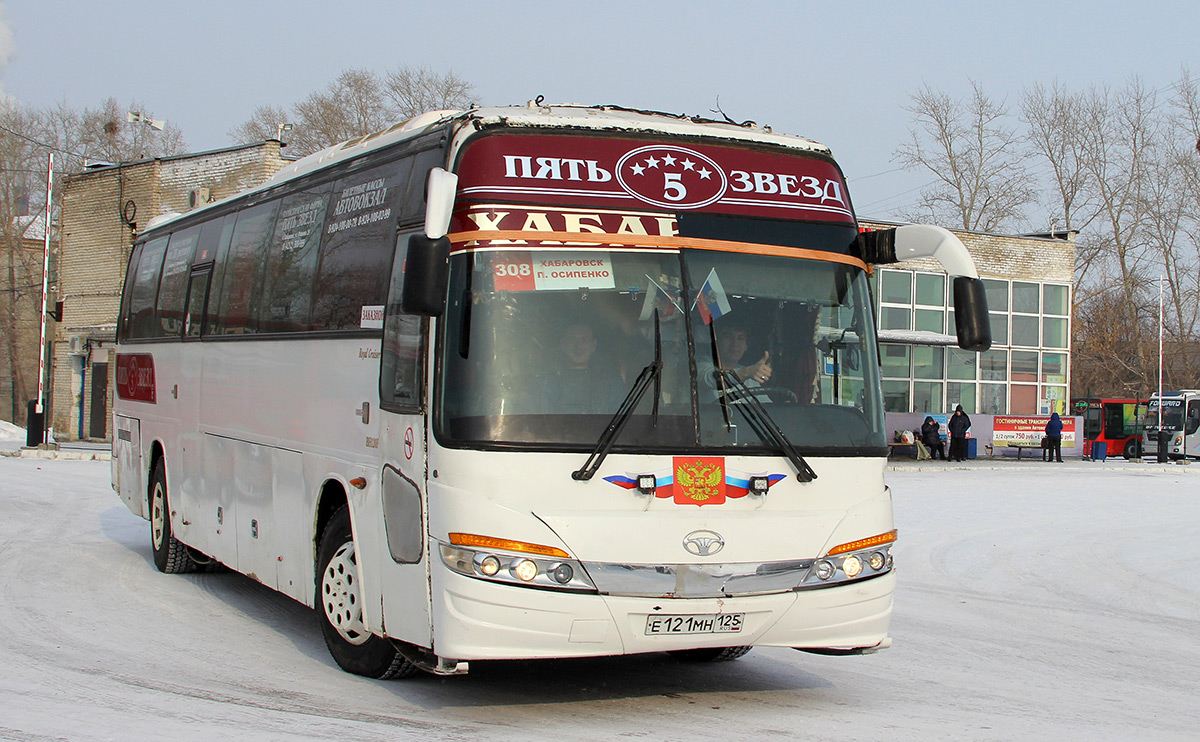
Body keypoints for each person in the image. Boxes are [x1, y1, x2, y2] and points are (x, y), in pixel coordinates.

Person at [539, 322, 624, 414]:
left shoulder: (611, 383)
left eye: (585, 340)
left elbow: (623, 419)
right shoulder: (543, 382)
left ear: (593, 346)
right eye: (572, 339)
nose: (578, 346)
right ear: (563, 344)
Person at [699, 319, 773, 402]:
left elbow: (766, 406)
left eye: (740, 338)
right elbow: (712, 380)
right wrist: (746, 372)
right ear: (716, 342)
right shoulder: (700, 366)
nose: (735, 343)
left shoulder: (749, 379)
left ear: (746, 346)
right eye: (728, 336)